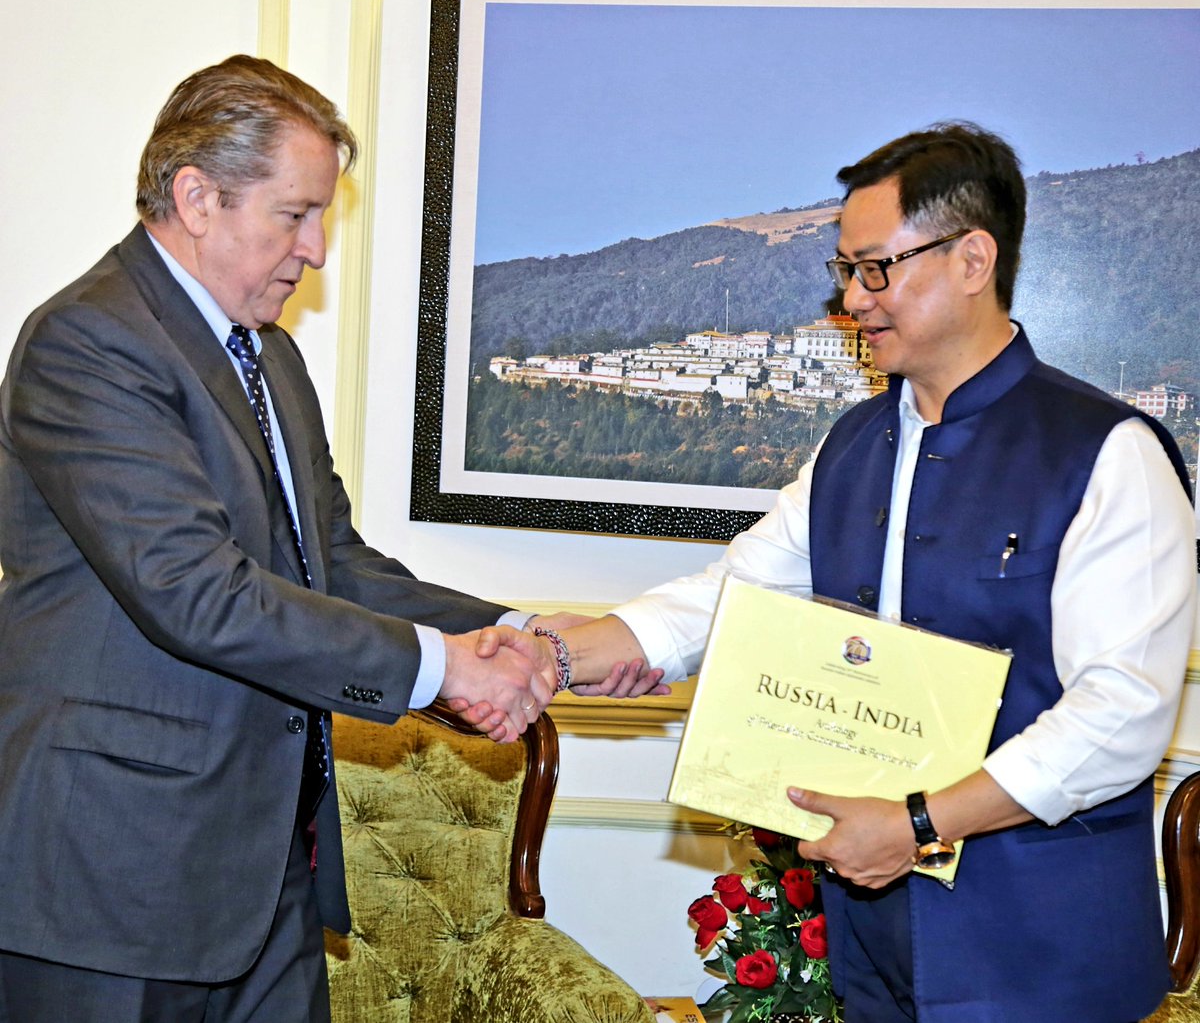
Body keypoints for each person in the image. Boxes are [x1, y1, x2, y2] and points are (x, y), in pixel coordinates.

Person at [0, 54, 660, 1023]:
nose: (314, 249)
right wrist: (446, 668)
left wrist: (518, 631)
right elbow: (196, 594)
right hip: (111, 883)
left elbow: (331, 564)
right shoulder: (89, 342)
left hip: (268, 871)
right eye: (295, 214)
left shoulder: (269, 355)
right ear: (197, 197)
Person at [513, 122, 1197, 1022]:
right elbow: (740, 593)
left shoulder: (1109, 452)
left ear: (973, 259)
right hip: (874, 948)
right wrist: (568, 650)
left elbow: (1122, 714)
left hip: (1043, 956)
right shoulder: (851, 444)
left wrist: (920, 822)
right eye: (845, 270)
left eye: (876, 269)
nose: (851, 300)